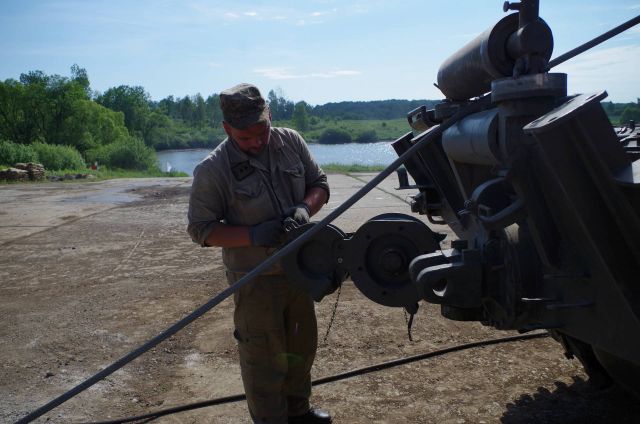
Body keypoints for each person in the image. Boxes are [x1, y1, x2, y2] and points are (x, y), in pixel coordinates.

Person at [187, 83, 332, 424]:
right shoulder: (213, 169)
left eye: (261, 132)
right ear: (227, 129)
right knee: (263, 360)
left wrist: (304, 208)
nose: (256, 142)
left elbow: (320, 184)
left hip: (300, 270)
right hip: (255, 280)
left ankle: (299, 412)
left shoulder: (290, 141)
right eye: (245, 137)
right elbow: (201, 230)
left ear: (270, 117)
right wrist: (251, 235)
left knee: (301, 348)